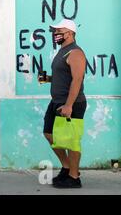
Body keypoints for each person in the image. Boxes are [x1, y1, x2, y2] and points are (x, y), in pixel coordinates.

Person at [39, 19, 87, 189]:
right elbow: (64, 76)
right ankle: (67, 168)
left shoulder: (75, 53)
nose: (55, 34)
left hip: (71, 103)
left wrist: (69, 105)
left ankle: (74, 177)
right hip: (56, 102)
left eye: (59, 31)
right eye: (54, 31)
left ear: (71, 33)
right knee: (49, 133)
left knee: (72, 140)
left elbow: (77, 80)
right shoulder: (62, 51)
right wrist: (49, 79)